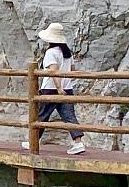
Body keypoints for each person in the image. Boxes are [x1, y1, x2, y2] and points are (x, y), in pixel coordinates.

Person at [31, 22, 88, 155]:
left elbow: (53, 71)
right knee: (69, 116)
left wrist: (58, 87)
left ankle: (33, 141)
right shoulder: (67, 53)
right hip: (67, 89)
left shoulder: (51, 52)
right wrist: (64, 86)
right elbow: (72, 70)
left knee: (41, 116)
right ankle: (78, 142)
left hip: (51, 88)